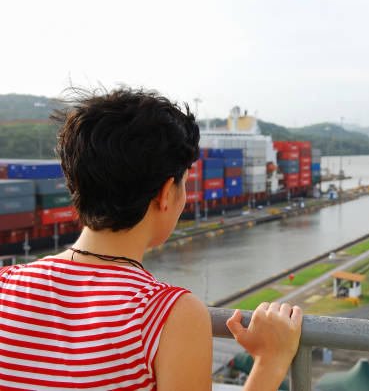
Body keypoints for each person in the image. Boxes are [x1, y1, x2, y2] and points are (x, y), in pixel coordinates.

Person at [0, 88, 302, 390]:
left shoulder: (5, 283)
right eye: (184, 183)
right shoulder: (171, 314)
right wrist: (271, 360)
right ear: (165, 193)